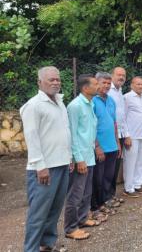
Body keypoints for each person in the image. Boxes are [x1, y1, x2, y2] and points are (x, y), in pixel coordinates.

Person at [20, 66, 72, 252]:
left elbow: (64, 132)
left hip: (62, 164)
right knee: (38, 213)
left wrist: (70, 158)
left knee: (55, 209)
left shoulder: (60, 102)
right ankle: (31, 248)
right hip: (44, 169)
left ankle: (47, 244)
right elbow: (31, 138)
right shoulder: (33, 106)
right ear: (40, 82)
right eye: (51, 80)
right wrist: (40, 166)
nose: (56, 83)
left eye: (57, 79)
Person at [64, 75, 98, 240]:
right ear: (85, 88)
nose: (98, 86)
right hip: (81, 157)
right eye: (95, 84)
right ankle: (71, 228)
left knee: (86, 192)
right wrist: (79, 159)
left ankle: (83, 218)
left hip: (89, 155)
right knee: (75, 194)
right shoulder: (75, 106)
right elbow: (72, 134)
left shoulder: (90, 103)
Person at [91, 72, 121, 214]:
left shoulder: (111, 101)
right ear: (96, 83)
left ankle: (106, 200)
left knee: (108, 176)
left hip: (112, 146)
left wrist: (117, 143)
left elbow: (114, 124)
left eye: (109, 83)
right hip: (100, 147)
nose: (107, 86)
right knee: (98, 178)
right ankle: (96, 206)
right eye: (104, 83)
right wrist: (97, 147)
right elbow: (90, 127)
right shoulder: (92, 101)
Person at [123, 77, 142, 196]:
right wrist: (126, 135)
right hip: (132, 135)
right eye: (138, 84)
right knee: (130, 162)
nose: (141, 86)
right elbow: (122, 118)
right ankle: (129, 188)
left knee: (141, 161)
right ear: (132, 85)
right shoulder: (127, 97)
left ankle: (137, 184)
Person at [108, 67, 130, 203]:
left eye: (123, 75)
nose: (121, 77)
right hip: (110, 134)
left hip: (120, 134)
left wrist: (126, 134)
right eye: (118, 75)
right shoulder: (108, 91)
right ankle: (105, 197)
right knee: (109, 167)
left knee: (116, 166)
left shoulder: (120, 91)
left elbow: (122, 117)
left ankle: (111, 194)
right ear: (112, 76)